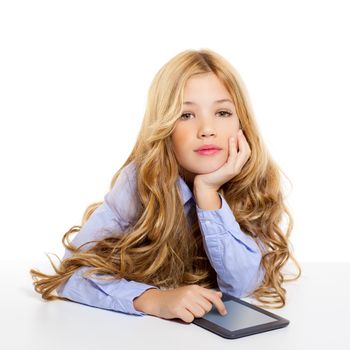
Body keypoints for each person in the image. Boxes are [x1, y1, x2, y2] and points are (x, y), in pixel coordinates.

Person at [30, 48, 301, 324]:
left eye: (222, 112)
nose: (207, 129)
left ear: (242, 123)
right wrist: (151, 299)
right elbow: (71, 272)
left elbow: (241, 286)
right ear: (165, 127)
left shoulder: (255, 180)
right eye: (186, 115)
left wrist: (208, 194)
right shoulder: (140, 182)